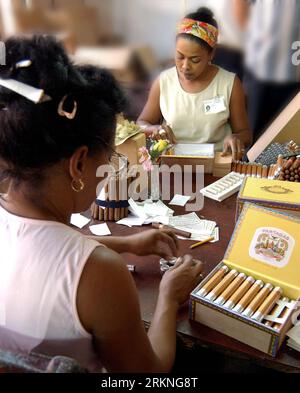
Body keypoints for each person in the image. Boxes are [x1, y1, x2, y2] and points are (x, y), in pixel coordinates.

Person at [0, 35, 203, 373]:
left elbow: (47, 252)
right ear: (79, 164)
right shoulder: (102, 274)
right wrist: (168, 297)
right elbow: (145, 376)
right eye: (108, 156)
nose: (108, 169)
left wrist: (127, 243)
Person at [137, 7, 252, 161]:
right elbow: (141, 123)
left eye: (195, 60)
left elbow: (245, 134)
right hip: (173, 165)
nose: (185, 66)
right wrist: (154, 129)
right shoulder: (164, 82)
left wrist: (236, 138)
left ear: (211, 54)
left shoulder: (229, 84)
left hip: (216, 164)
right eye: (180, 57)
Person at [239, 0, 300, 141]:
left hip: (295, 72)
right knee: (253, 135)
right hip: (260, 69)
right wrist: (257, 37)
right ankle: (248, 163)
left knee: (290, 138)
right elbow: (240, 5)